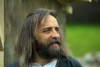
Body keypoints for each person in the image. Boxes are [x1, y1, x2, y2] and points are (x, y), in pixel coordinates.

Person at [8, 8, 82, 67]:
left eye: (57, 30)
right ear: (31, 37)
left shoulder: (72, 65)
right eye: (47, 30)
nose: (56, 35)